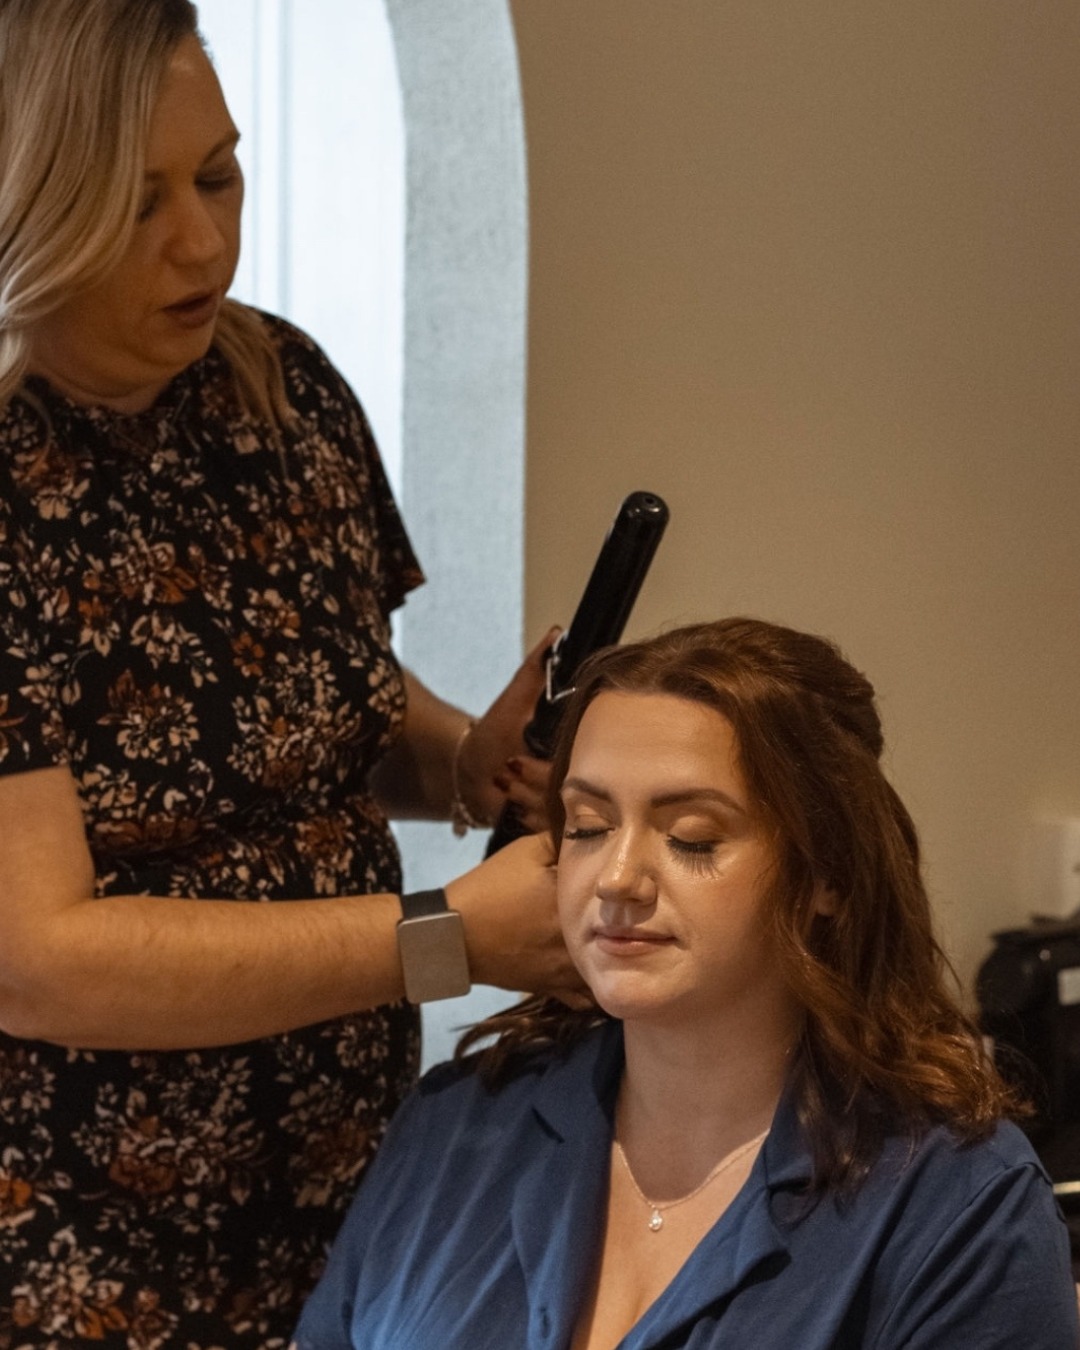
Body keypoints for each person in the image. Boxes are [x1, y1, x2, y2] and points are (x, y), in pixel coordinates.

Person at [0, 1, 581, 1344]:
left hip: (348, 1203)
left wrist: (461, 756)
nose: (203, 239)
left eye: (219, 173)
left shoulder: (280, 388)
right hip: (78, 1259)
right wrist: (445, 936)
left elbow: (328, 706)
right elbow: (40, 957)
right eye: (136, 202)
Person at [294, 617, 1080, 1349]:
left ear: (827, 875)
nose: (618, 879)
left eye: (691, 837)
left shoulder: (956, 1211)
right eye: (589, 828)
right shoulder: (454, 1129)